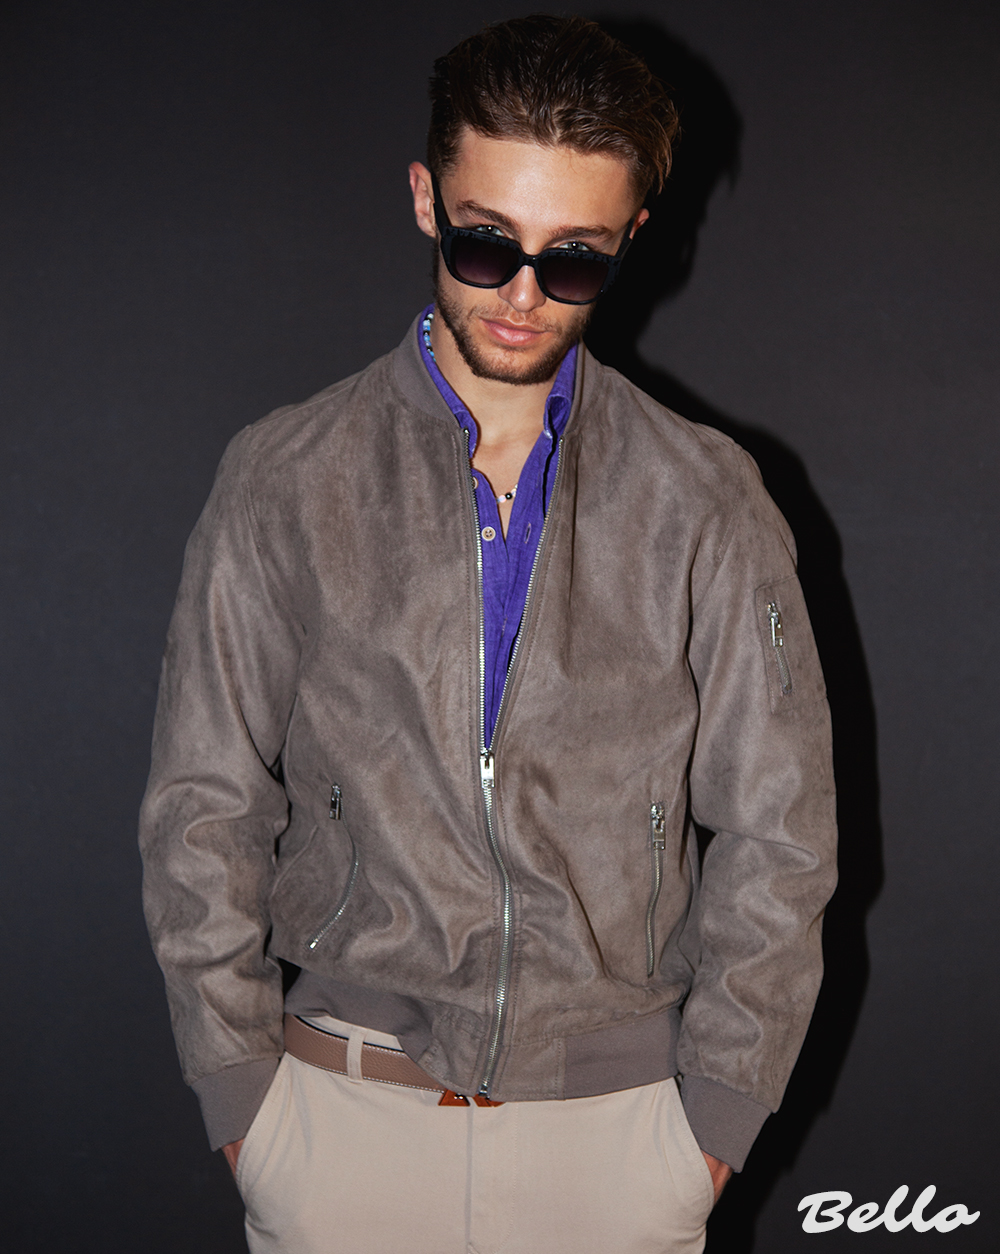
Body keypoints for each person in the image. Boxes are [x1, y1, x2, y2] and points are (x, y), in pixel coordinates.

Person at [139, 15, 837, 1253]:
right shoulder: (286, 477)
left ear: (630, 236)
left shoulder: (705, 498)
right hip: (342, 1122)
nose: (521, 295)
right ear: (425, 199)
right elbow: (203, 804)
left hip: (619, 1145)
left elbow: (780, 831)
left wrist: (711, 1128)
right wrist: (246, 1102)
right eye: (484, 242)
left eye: (574, 260)